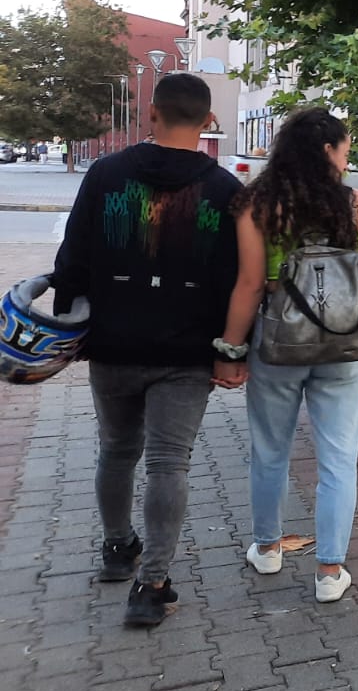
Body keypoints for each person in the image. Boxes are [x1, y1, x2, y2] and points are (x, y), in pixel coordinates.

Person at [50, 73, 241, 627]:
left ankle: (117, 548)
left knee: (116, 449)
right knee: (167, 462)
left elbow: (74, 257)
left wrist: (69, 322)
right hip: (185, 352)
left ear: (152, 114)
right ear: (208, 123)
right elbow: (236, 278)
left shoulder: (105, 173)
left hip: (111, 343)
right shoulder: (226, 190)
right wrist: (234, 350)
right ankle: (151, 583)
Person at [213, 108, 358, 604]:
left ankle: (267, 549)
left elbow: (248, 285)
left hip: (277, 343)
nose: (348, 159)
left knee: (270, 451)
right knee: (338, 460)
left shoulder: (258, 205)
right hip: (346, 345)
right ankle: (329, 572)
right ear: (328, 150)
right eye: (346, 149)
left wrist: (230, 349)